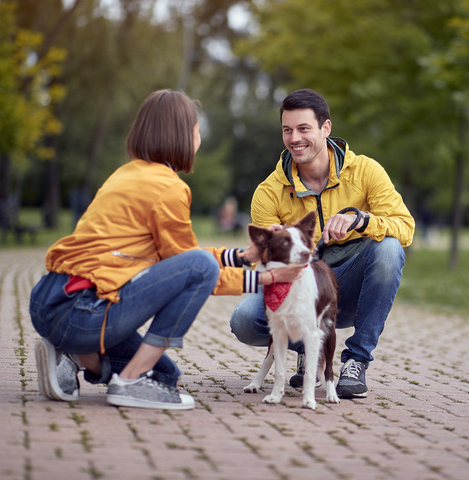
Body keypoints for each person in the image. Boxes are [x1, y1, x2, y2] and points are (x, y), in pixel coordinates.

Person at [29, 89, 302, 410]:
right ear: (183, 135)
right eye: (197, 129)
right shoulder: (169, 188)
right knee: (199, 267)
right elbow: (198, 270)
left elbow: (179, 257)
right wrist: (267, 280)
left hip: (50, 299)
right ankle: (127, 382)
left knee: (164, 375)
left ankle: (76, 356)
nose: (199, 137)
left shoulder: (127, 173)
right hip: (80, 309)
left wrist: (242, 257)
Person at [229, 88, 415, 399]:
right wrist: (272, 244)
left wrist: (362, 220)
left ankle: (356, 361)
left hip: (349, 284)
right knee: (244, 320)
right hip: (299, 283)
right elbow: (262, 260)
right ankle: (305, 348)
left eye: (304, 128)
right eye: (287, 130)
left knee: (389, 249)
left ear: (325, 128)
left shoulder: (366, 171)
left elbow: (405, 227)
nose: (294, 138)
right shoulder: (269, 191)